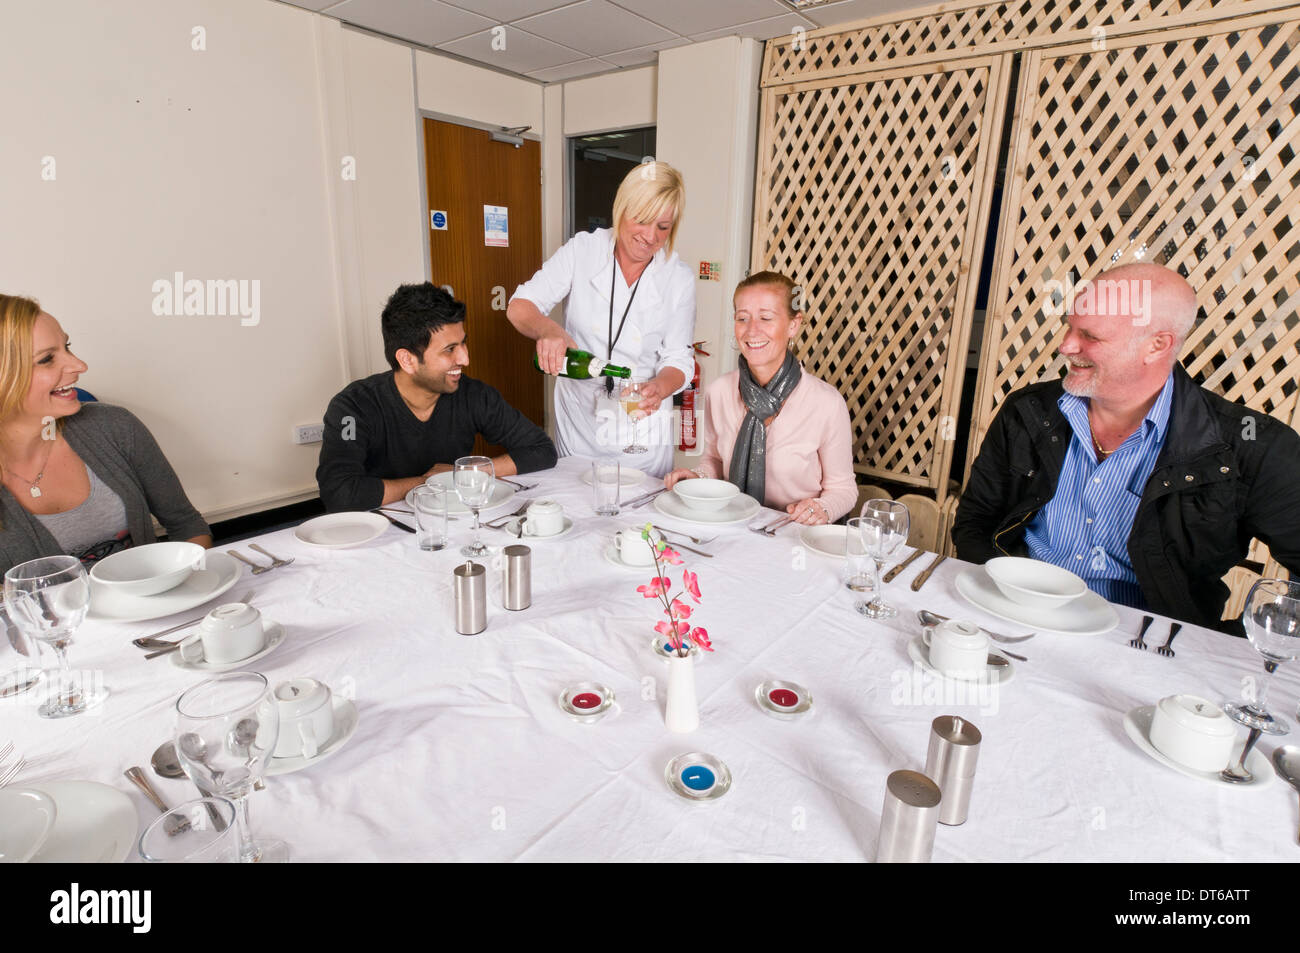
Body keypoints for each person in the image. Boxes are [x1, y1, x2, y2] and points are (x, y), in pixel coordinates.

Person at [952, 263, 1300, 632]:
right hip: (1017, 619)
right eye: (1069, 327)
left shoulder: (1252, 447)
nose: (1066, 346)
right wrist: (998, 600)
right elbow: (975, 519)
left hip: (1144, 647)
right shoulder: (1028, 411)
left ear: (1157, 345)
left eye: (1091, 336)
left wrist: (1228, 646)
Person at [507, 161, 695, 477]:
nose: (650, 237)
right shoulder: (584, 251)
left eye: (663, 227)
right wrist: (548, 329)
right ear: (621, 209)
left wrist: (659, 388)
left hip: (642, 432)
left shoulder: (677, 277)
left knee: (640, 521)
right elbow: (519, 306)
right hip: (580, 423)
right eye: (643, 220)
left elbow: (680, 359)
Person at [0, 294, 211, 574]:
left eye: (68, 347)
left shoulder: (114, 427)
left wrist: (185, 590)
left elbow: (186, 525)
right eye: (48, 359)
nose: (79, 365)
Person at [317, 282, 556, 512]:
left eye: (463, 343)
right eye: (450, 349)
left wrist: (469, 471)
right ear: (407, 360)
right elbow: (339, 493)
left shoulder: (474, 395)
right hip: (381, 533)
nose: (465, 359)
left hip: (452, 523)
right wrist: (430, 483)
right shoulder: (353, 407)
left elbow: (542, 450)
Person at [664, 272, 857, 524]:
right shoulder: (719, 391)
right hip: (732, 527)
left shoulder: (826, 403)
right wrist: (697, 477)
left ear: (793, 325)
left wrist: (820, 508)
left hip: (795, 537)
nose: (751, 331)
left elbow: (844, 490)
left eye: (766, 318)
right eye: (742, 318)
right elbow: (713, 460)